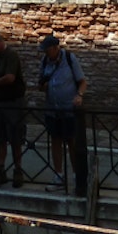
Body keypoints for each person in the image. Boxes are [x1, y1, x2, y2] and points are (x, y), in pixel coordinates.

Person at [37, 34, 88, 196]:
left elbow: (82, 82)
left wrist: (79, 95)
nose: (46, 53)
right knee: (55, 141)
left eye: (47, 50)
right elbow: (40, 84)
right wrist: (44, 86)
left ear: (55, 48)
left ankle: (77, 176)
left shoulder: (69, 58)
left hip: (69, 109)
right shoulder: (45, 61)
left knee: (72, 142)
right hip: (52, 109)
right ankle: (59, 175)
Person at [0, 29, 27, 187]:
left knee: (15, 138)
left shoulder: (11, 55)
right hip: (0, 102)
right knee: (0, 138)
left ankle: (18, 171)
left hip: (13, 102)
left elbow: (10, 78)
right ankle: (0, 171)